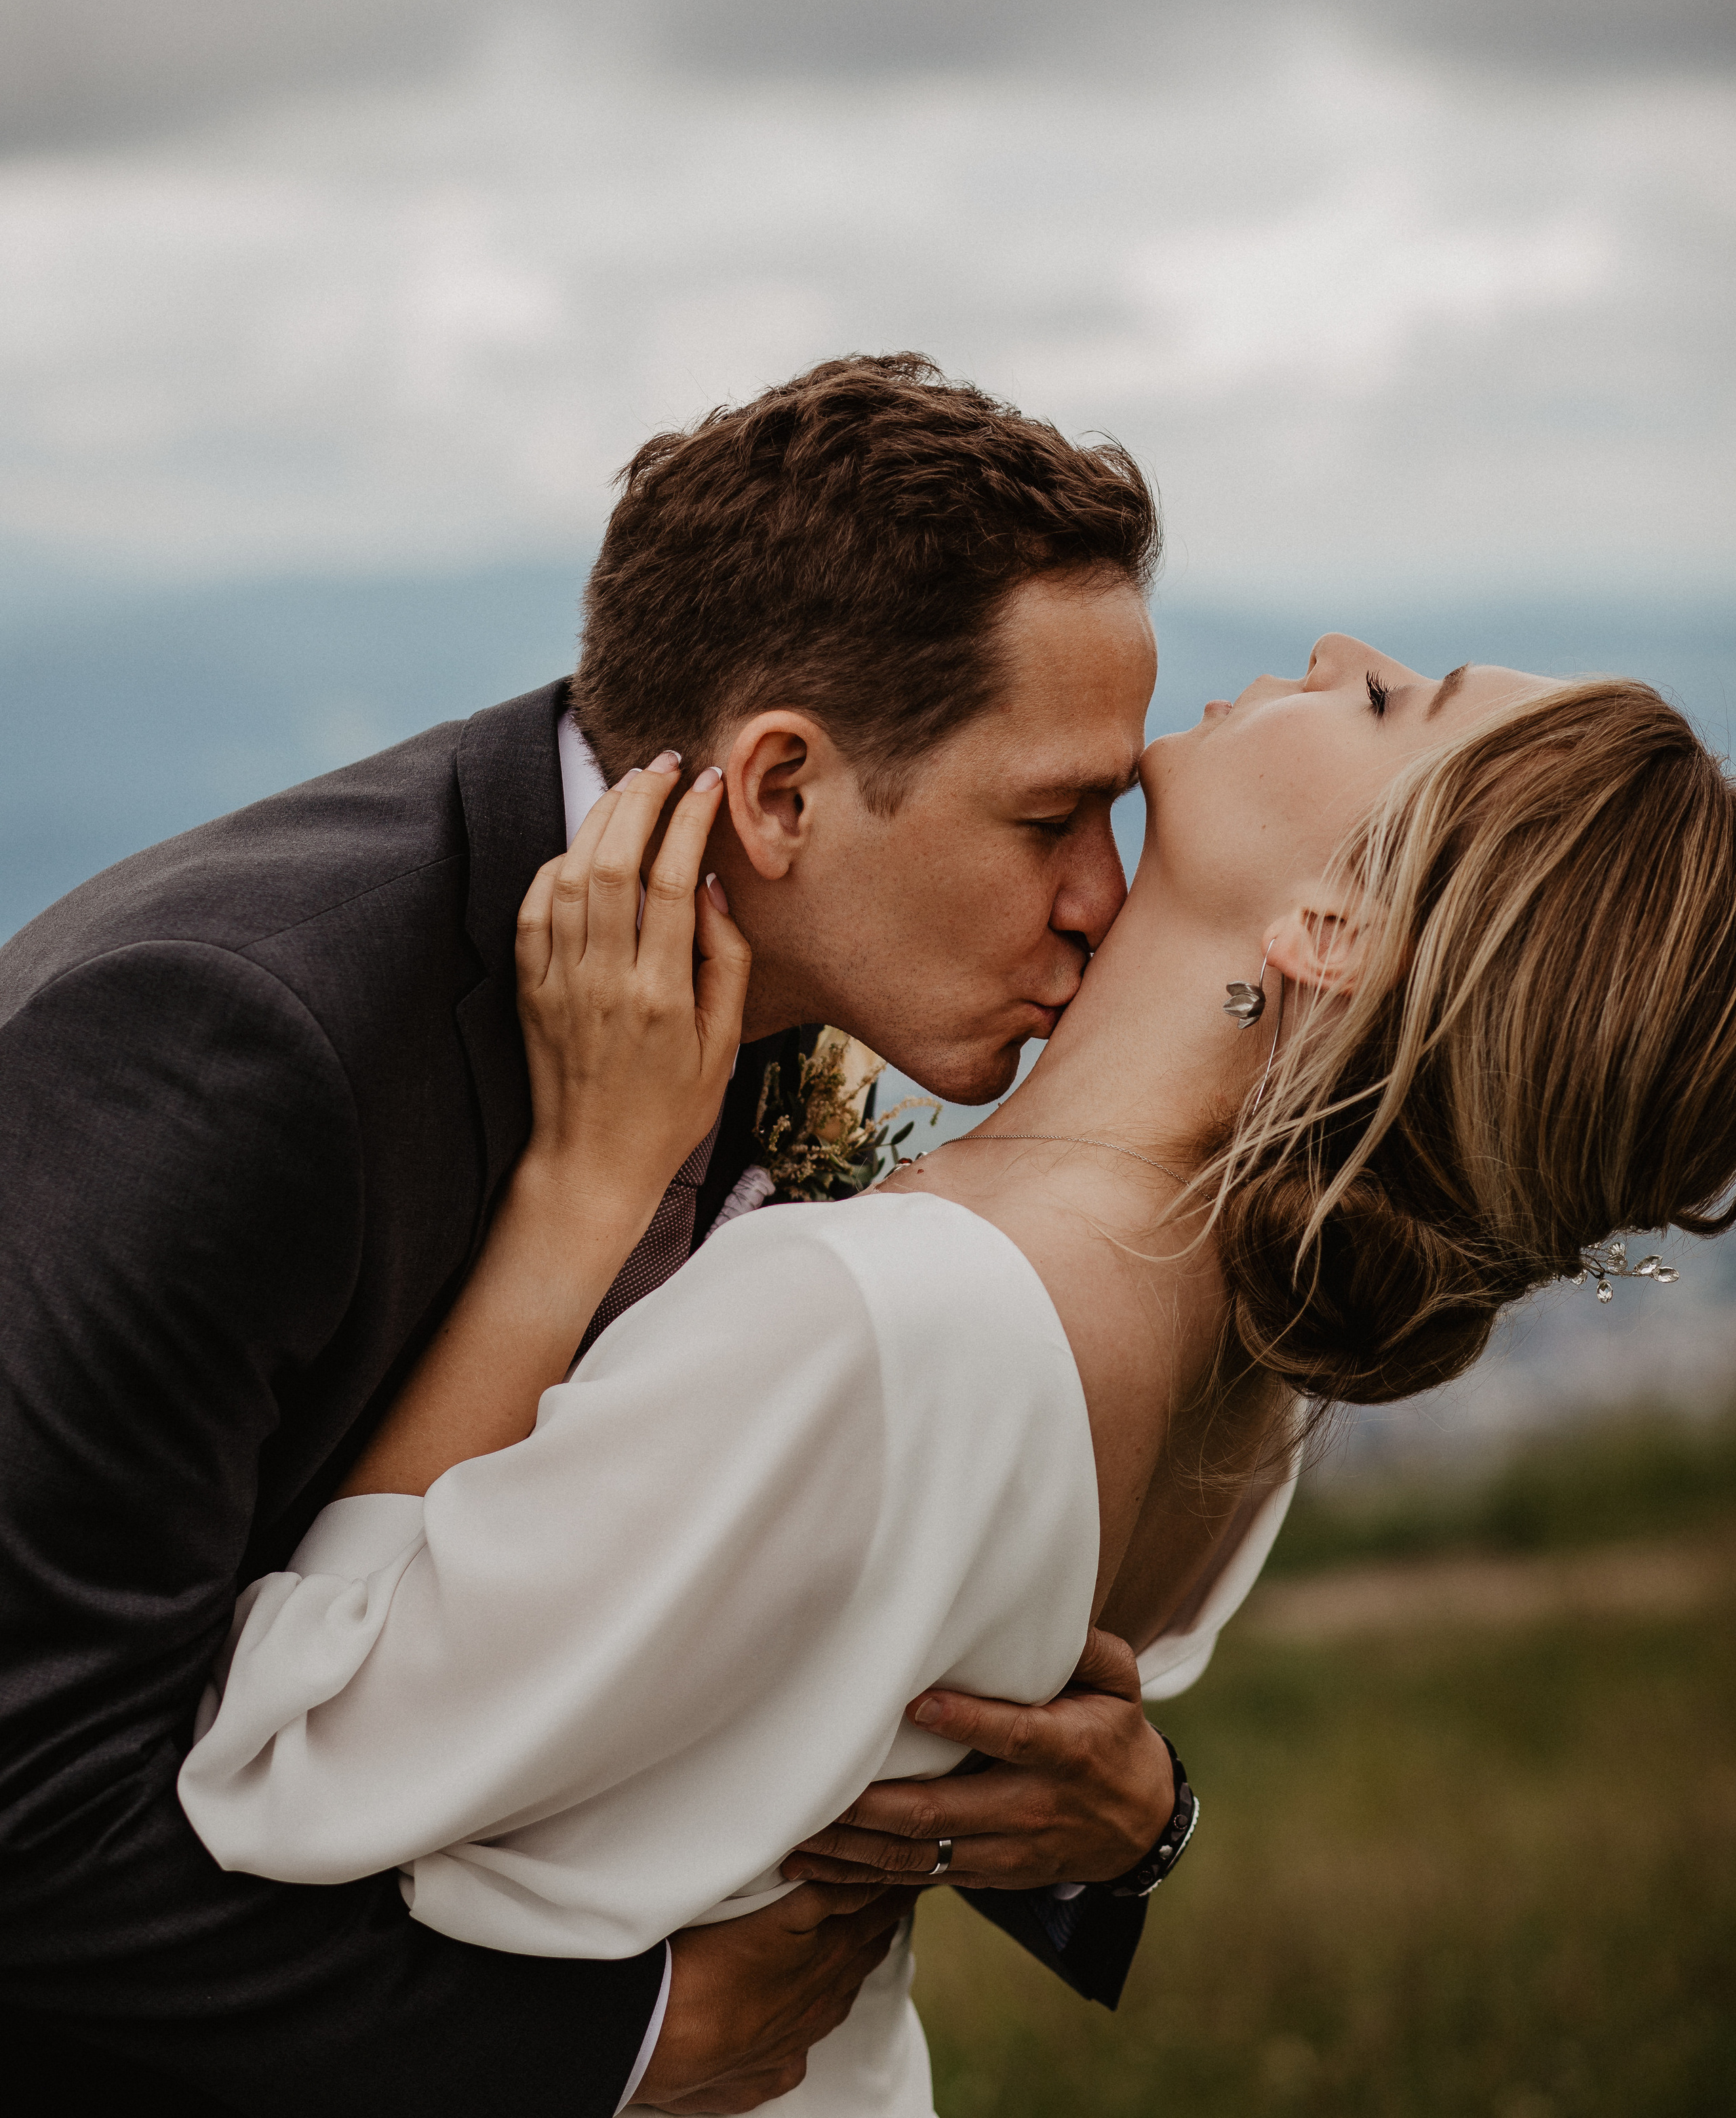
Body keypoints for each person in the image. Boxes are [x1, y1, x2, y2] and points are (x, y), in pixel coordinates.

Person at [177, 633, 1736, 2114]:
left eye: (1394, 704)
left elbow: (289, 1760)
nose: (1335, 656)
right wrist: (1142, 1830)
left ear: (1332, 926)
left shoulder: (882, 1315)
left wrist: (578, 1192)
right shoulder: (1256, 1362)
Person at [0, 358, 1185, 2118]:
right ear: (780, 791)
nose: (1104, 894)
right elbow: (32, 1807)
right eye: (1047, 817)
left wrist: (1116, 1827)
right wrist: (622, 2049)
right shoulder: (237, 1044)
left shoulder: (788, 968)